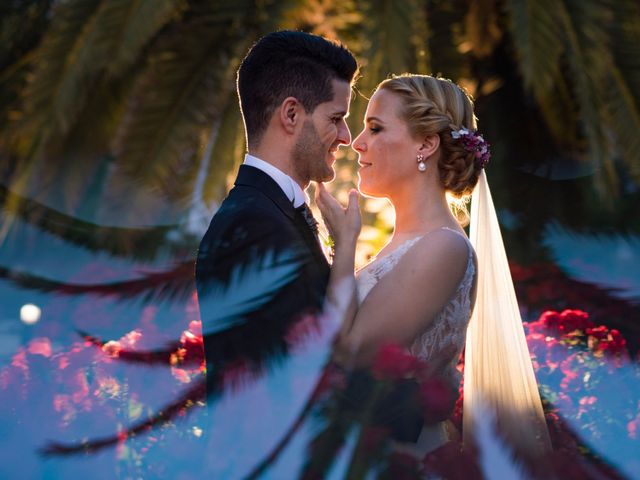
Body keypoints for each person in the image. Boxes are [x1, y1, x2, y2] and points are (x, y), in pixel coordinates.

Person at [317, 74, 551, 459]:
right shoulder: (403, 244)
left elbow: (353, 352)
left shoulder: (444, 247)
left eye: (375, 128)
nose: (357, 143)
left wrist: (344, 244)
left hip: (401, 458)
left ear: (425, 145)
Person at [195, 30, 358, 394]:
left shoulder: (271, 213)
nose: (347, 135)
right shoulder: (253, 226)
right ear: (291, 114)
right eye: (336, 118)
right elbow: (302, 375)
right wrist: (426, 404)